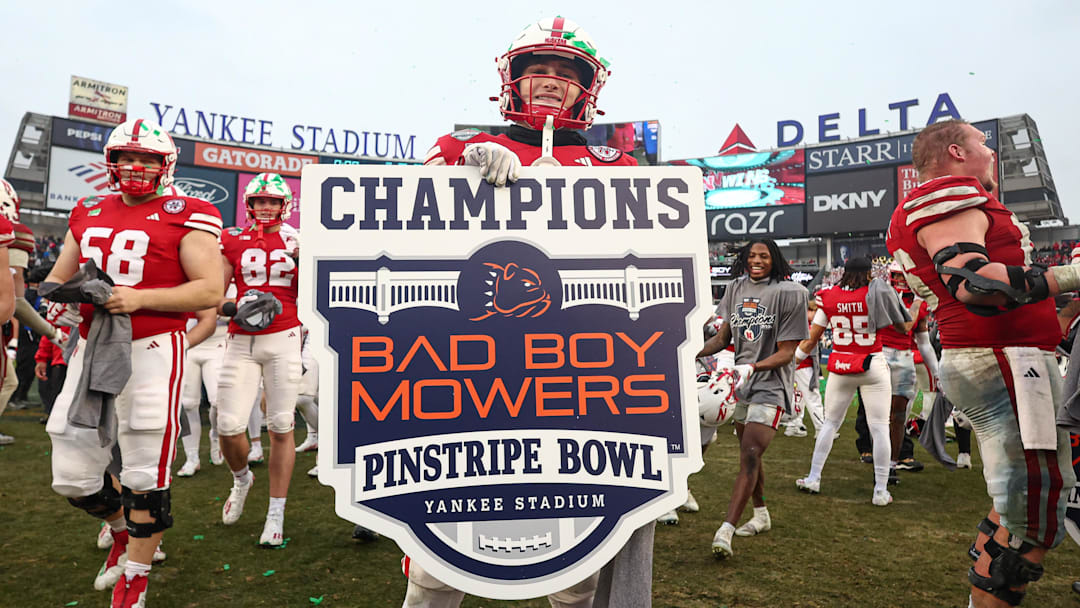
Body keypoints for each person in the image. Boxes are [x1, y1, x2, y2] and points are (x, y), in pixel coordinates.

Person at [405, 17, 638, 608]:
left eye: (567, 73)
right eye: (540, 69)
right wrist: (458, 183)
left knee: (578, 553)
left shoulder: (618, 165)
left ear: (588, 88)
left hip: (580, 366)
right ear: (513, 79)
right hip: (471, 363)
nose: (553, 81)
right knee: (438, 555)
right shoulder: (459, 148)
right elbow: (405, 244)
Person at [886, 119, 1079, 607]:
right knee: (1033, 513)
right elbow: (977, 285)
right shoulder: (948, 193)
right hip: (1006, 362)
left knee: (1013, 504)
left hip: (1001, 357)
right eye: (982, 142)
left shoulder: (943, 202)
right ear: (955, 151)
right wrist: (1074, 273)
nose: (991, 151)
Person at [42, 117, 223, 608]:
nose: (136, 168)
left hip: (154, 346)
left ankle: (136, 579)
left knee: (145, 467)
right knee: (72, 472)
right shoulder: (89, 207)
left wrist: (140, 298)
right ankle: (121, 532)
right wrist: (55, 296)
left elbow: (210, 289)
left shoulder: (190, 211)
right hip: (94, 344)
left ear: (166, 165)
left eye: (147, 159)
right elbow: (61, 275)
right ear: (112, 163)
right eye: (127, 158)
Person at [698, 238, 808, 558]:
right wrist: (689, 354)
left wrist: (752, 367)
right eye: (752, 256)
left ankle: (726, 530)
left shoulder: (791, 293)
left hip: (770, 384)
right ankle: (761, 515)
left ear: (774, 259)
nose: (757, 260)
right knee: (750, 457)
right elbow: (722, 339)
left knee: (749, 455)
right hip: (742, 384)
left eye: (764, 255)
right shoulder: (734, 288)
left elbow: (787, 352)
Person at [216, 172, 301, 547]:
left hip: (284, 335)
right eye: (260, 201)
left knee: (281, 425)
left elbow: (317, 289)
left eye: (273, 201)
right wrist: (236, 306)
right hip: (241, 339)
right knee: (228, 424)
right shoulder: (231, 238)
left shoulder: (301, 239)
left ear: (285, 205)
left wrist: (307, 259)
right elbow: (215, 293)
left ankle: (276, 512)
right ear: (249, 204)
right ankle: (241, 478)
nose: (266, 208)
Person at [793, 257, 908, 506]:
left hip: (841, 364)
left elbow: (811, 340)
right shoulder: (875, 294)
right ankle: (880, 490)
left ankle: (814, 477)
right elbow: (901, 328)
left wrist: (792, 362)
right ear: (868, 273)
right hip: (872, 363)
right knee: (879, 428)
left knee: (830, 424)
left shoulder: (829, 297)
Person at [876, 261, 934, 475]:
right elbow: (904, 325)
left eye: (904, 276)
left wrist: (936, 372)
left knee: (900, 415)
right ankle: (880, 461)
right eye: (898, 276)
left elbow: (924, 341)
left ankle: (892, 463)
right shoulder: (882, 296)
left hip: (905, 358)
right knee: (880, 414)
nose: (901, 281)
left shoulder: (919, 302)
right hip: (880, 354)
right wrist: (918, 304)